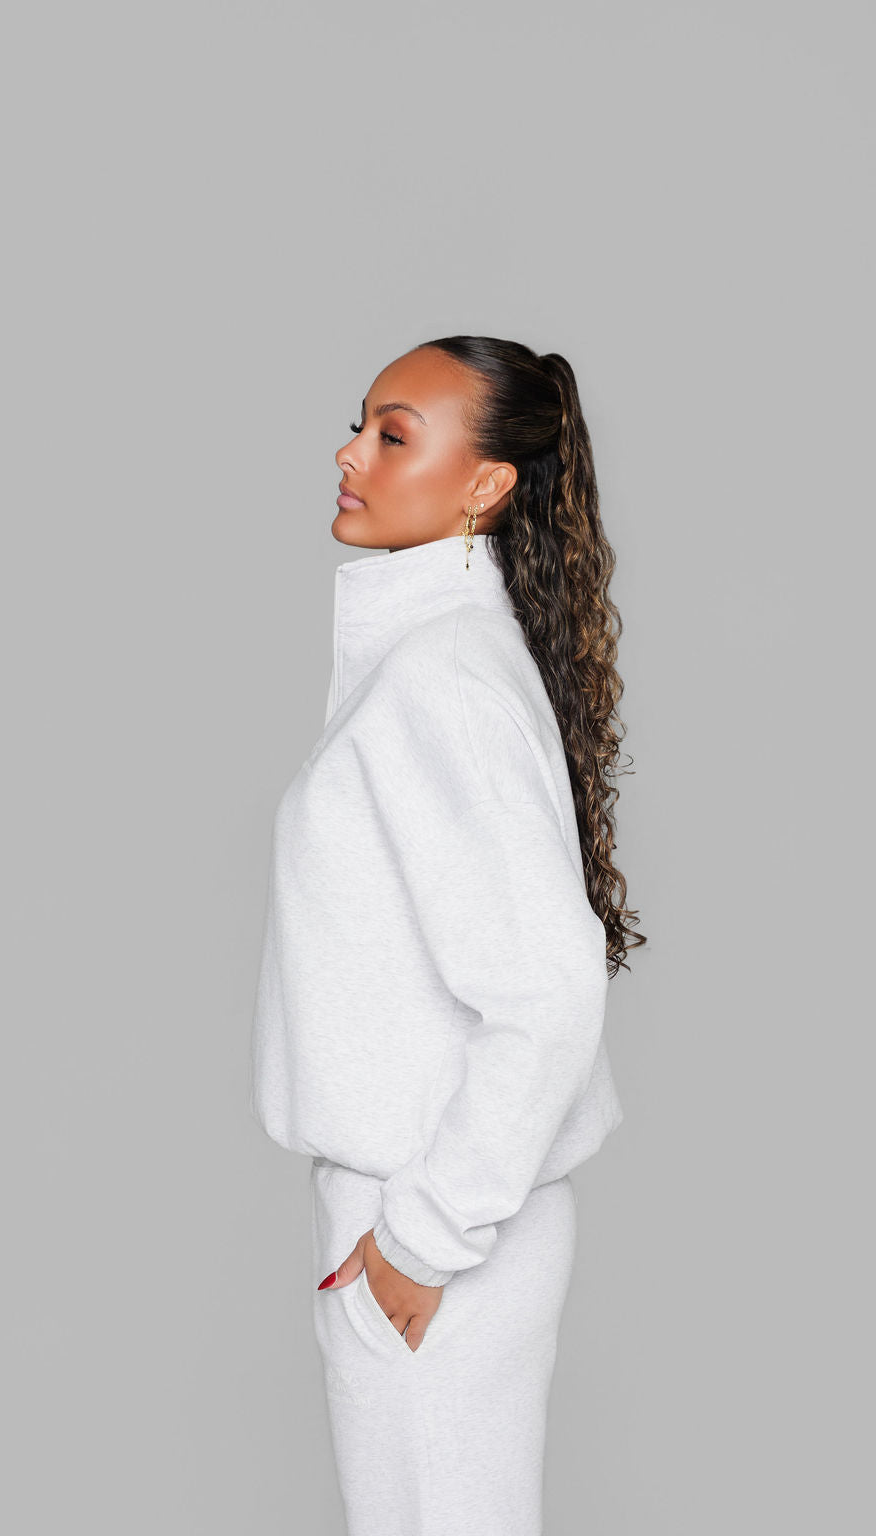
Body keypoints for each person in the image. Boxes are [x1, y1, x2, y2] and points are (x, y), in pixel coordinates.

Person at [250, 334, 646, 1535]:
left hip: (433, 1221)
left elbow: (549, 993)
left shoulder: (439, 679)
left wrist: (418, 1243)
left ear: (485, 484)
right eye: (359, 424)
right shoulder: (433, 661)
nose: (349, 453)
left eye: (392, 436)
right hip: (437, 1211)